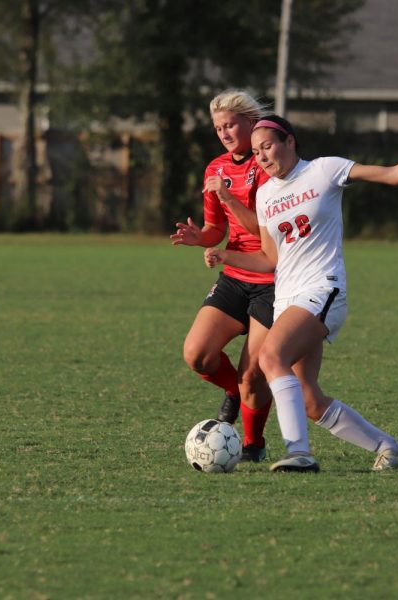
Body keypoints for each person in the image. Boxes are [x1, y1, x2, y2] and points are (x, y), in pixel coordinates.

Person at [205, 115, 398, 472]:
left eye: (268, 147)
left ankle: (299, 453)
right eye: (256, 151)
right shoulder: (267, 195)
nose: (261, 156)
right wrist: (226, 255)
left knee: (270, 357)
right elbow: (270, 258)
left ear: (290, 141)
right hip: (287, 299)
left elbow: (393, 174)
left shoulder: (324, 170)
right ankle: (390, 448)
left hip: (322, 288)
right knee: (309, 399)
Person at [170, 89, 275, 462]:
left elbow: (265, 234)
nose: (225, 133)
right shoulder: (215, 168)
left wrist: (229, 198)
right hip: (235, 275)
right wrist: (202, 237)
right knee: (197, 355)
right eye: (218, 128)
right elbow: (217, 228)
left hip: (272, 280)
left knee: (253, 377)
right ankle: (235, 393)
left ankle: (253, 445)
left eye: (230, 124)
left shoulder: (270, 166)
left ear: (251, 123)